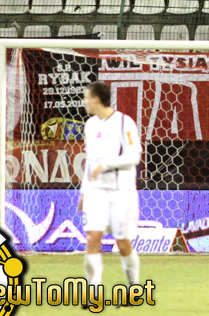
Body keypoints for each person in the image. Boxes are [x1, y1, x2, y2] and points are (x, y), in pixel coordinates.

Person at [81, 81, 141, 305]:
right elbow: (89, 162)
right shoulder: (89, 125)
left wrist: (105, 165)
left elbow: (134, 156)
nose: (84, 101)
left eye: (86, 97)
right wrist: (83, 191)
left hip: (121, 192)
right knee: (92, 238)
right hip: (97, 191)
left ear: (96, 99)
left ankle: (133, 290)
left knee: (123, 242)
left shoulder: (124, 122)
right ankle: (93, 294)